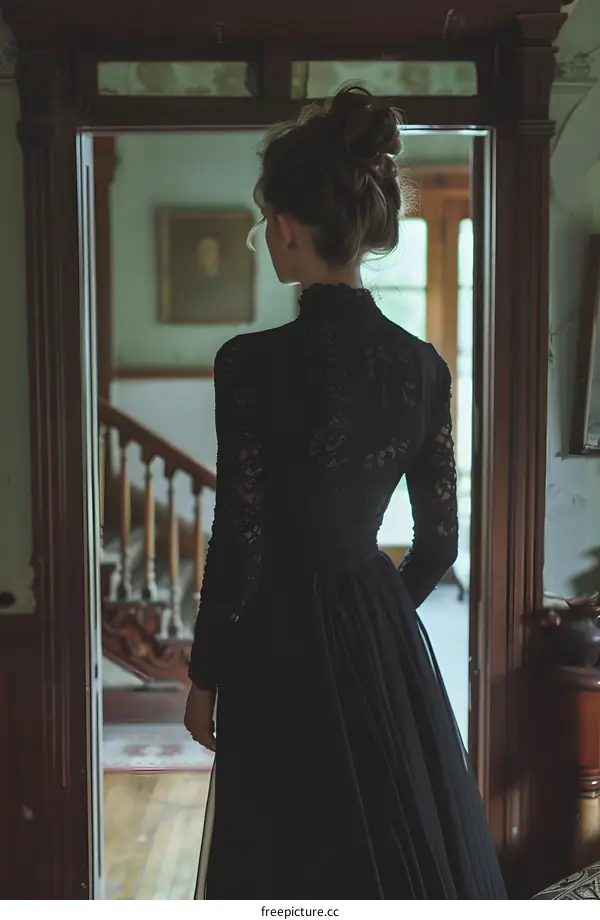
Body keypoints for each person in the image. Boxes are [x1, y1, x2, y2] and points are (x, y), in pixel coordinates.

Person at [184, 84, 507, 900]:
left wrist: (205, 672)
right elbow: (440, 543)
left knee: (285, 851)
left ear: (287, 228)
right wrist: (381, 613)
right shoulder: (423, 366)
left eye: (266, 222)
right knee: (392, 853)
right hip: (376, 626)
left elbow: (242, 531)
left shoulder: (248, 363)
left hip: (275, 638)